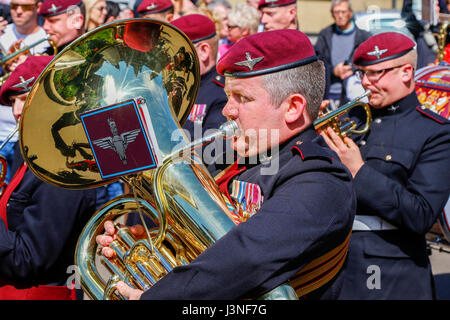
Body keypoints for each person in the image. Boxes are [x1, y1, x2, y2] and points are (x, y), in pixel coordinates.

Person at [97, 29, 356, 300]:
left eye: (242, 98)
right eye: (229, 95)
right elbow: (219, 250)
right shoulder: (246, 161)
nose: (227, 110)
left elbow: (247, 258)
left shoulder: (319, 180)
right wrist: (158, 243)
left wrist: (155, 297)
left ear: (292, 107)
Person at [320, 31, 450, 299]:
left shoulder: (435, 132)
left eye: (375, 73)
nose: (365, 83)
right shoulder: (351, 118)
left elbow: (421, 213)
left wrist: (360, 172)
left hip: (391, 268)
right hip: (331, 262)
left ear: (405, 72)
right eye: (361, 74)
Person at [0, 55, 97, 300]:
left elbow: (28, 261)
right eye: (12, 102)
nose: (16, 111)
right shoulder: (34, 153)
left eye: (24, 99)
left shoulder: (65, 167)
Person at [172, 14, 227, 147]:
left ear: (203, 51)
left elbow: (212, 151)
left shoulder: (222, 93)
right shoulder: (174, 85)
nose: (169, 60)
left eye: (175, 53)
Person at [314, 0, 370, 108]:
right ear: (332, 13)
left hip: (354, 94)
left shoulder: (364, 37)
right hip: (329, 95)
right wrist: (334, 70)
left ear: (350, 13)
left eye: (343, 12)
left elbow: (370, 63)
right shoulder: (325, 35)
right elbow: (316, 63)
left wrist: (352, 69)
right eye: (336, 12)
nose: (340, 16)